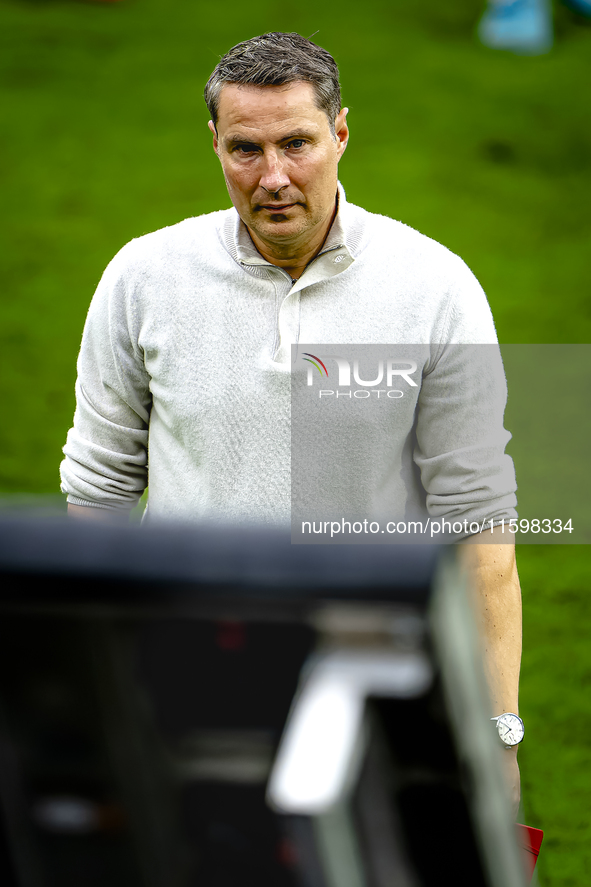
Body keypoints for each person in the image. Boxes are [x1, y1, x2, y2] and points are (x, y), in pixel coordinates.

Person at [60, 32, 522, 809]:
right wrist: (90, 697)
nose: (272, 177)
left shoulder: (435, 286)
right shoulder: (141, 277)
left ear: (341, 133)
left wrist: (496, 731)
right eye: (245, 149)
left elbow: (479, 528)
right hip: (184, 668)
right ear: (213, 143)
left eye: (296, 144)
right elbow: (98, 491)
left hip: (369, 671)